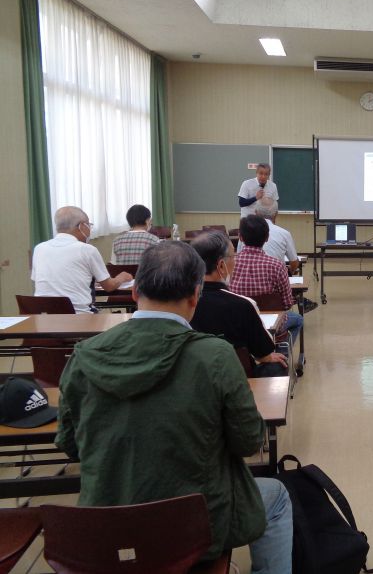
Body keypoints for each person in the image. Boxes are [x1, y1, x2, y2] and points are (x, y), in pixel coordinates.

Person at [55, 241, 293, 571]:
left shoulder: (84, 355)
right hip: (191, 527)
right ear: (195, 295)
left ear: (135, 291)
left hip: (106, 530)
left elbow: (71, 445)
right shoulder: (215, 355)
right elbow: (249, 442)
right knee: (277, 496)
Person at [190, 231, 289, 377]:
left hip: (195, 373)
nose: (235, 260)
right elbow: (263, 352)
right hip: (235, 376)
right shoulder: (242, 305)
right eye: (233, 256)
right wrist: (266, 357)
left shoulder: (183, 303)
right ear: (221, 266)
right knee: (277, 364)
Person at [31, 206, 133, 313]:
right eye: (89, 225)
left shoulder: (39, 249)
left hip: (44, 316)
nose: (90, 229)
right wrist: (121, 278)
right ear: (81, 226)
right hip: (79, 316)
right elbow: (109, 286)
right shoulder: (87, 250)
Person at [231, 215, 303, 345]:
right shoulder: (277, 266)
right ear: (267, 237)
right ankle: (281, 352)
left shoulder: (229, 264)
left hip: (237, 322)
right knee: (298, 319)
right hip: (271, 324)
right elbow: (287, 304)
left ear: (240, 237)